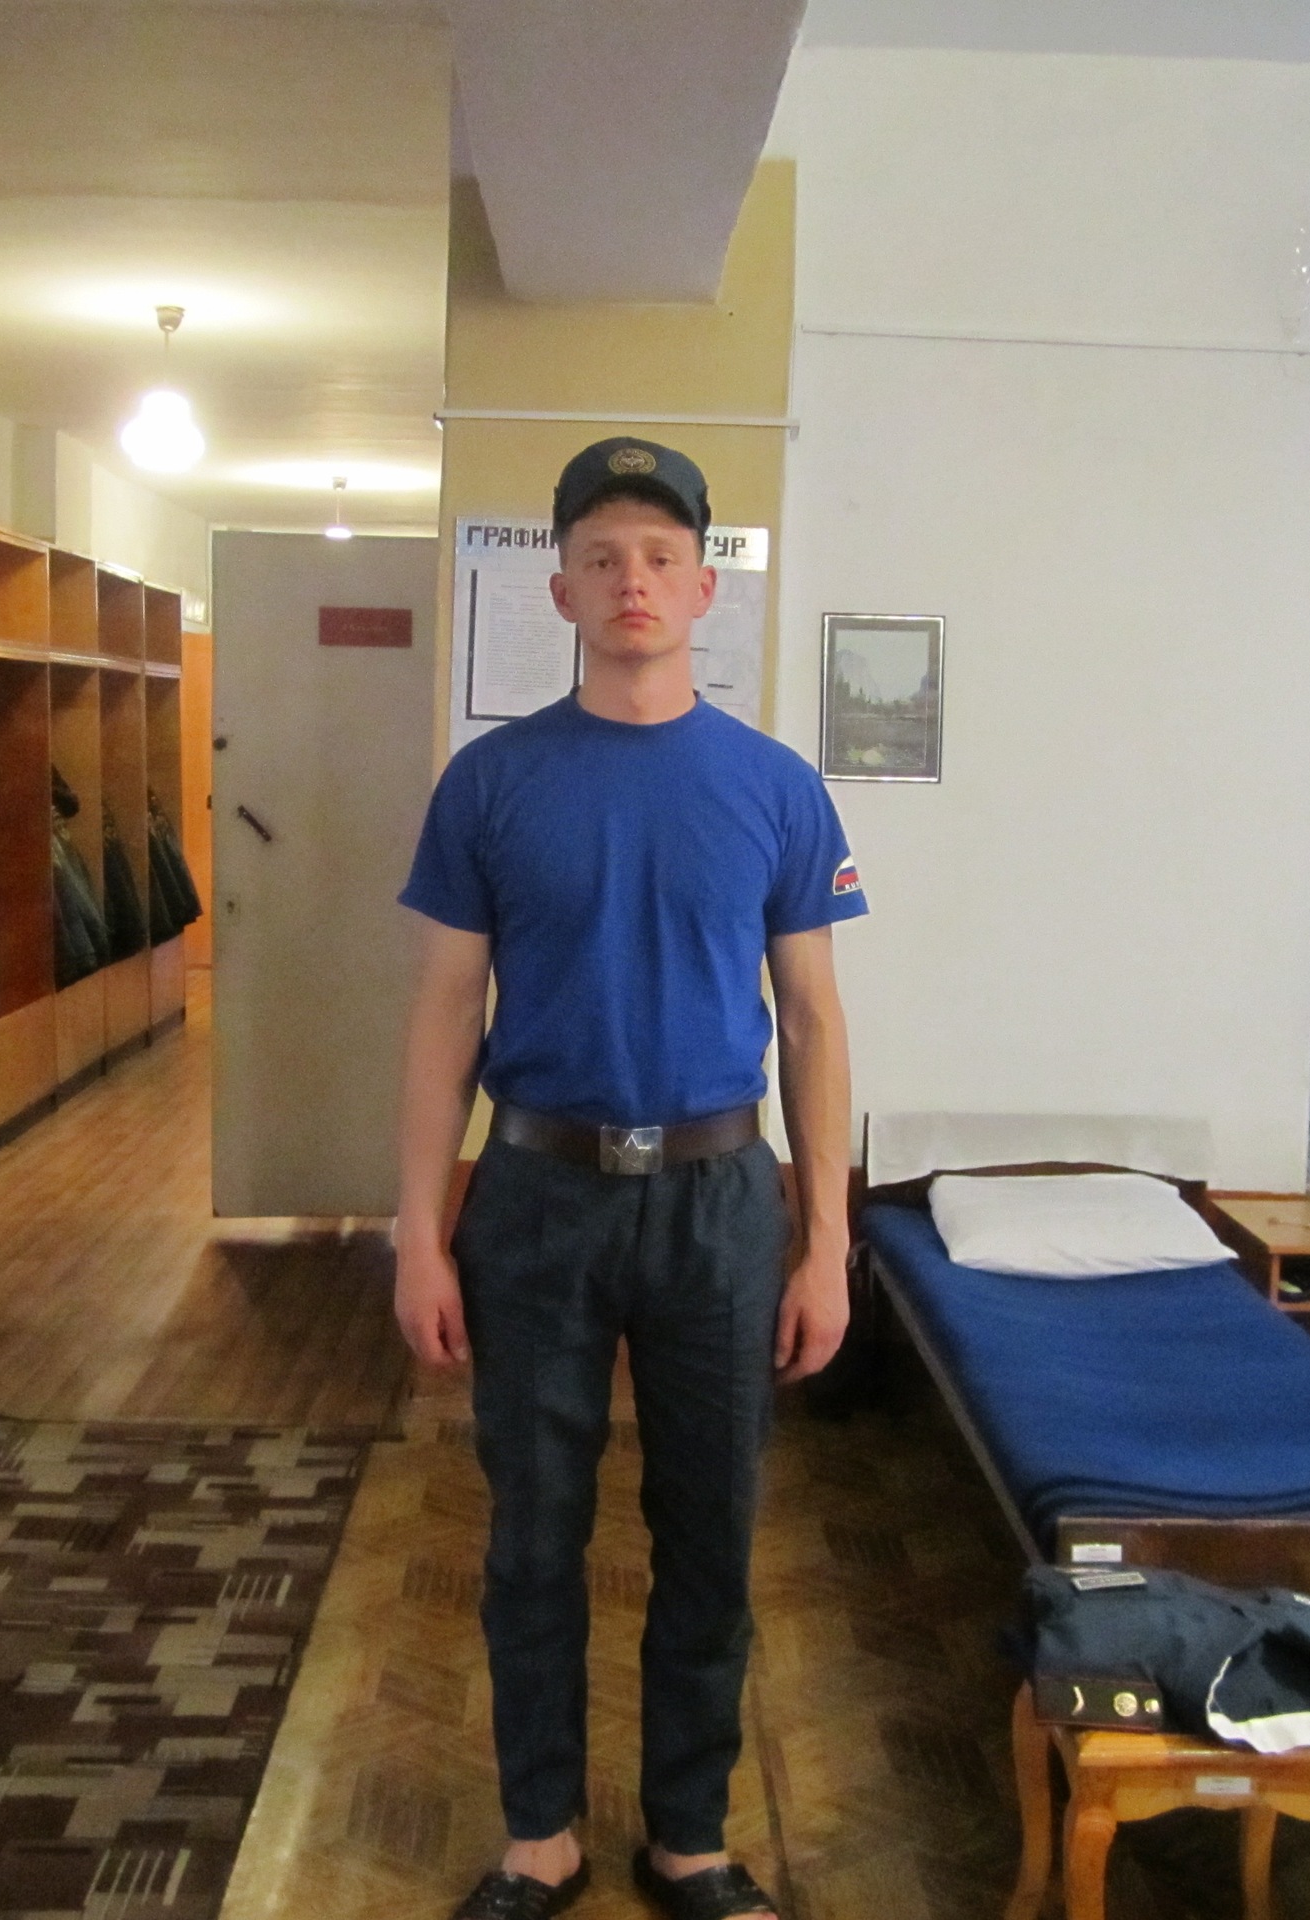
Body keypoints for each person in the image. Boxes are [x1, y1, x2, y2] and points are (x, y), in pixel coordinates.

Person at [394, 438, 865, 1920]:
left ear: (704, 588)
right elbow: (443, 1015)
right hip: (534, 1195)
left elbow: (814, 1022)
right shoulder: (490, 784)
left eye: (661, 556)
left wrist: (826, 1243)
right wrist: (419, 1231)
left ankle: (691, 1839)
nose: (633, 581)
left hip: (722, 1201)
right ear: (561, 591)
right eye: (601, 557)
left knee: (709, 1535)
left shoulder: (777, 789)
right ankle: (539, 1835)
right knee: (533, 1533)